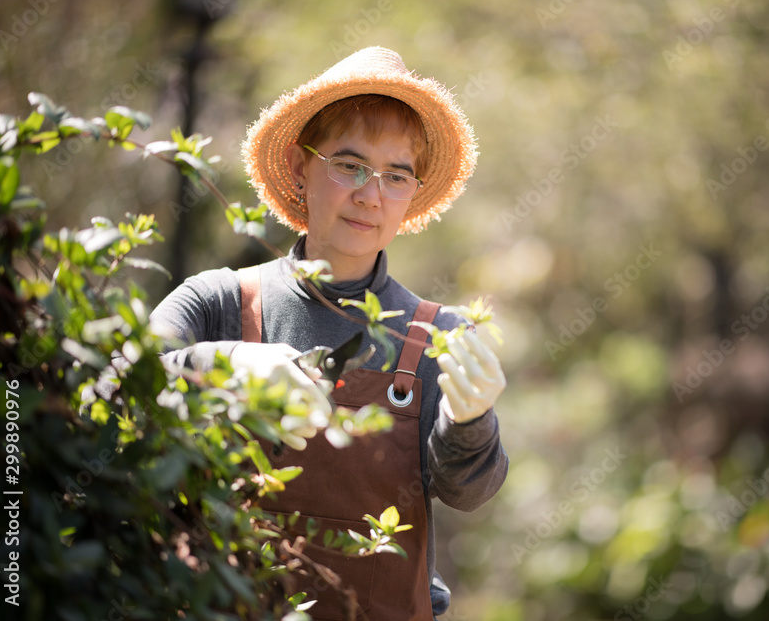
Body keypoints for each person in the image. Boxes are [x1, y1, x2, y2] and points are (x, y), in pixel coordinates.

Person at [149, 46, 508, 620]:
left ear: (413, 192)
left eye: (396, 175)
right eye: (349, 164)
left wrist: (470, 421)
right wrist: (224, 362)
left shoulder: (438, 335)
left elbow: (470, 492)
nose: (371, 194)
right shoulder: (218, 300)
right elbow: (123, 379)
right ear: (299, 165)